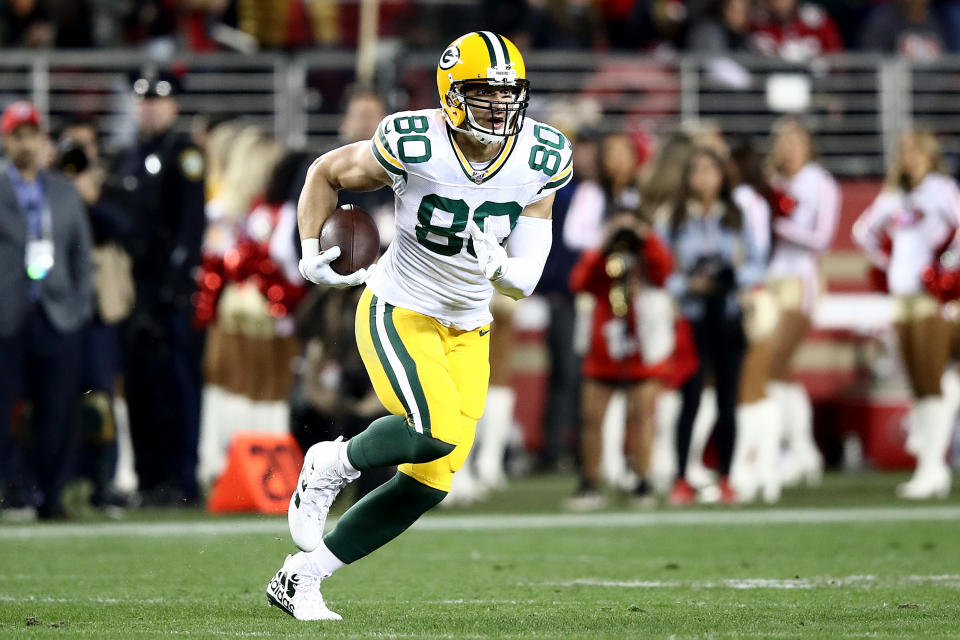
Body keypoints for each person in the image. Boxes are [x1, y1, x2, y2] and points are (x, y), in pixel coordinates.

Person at [266, 31, 573, 621]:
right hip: (400, 306)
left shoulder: (543, 154)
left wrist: (501, 269)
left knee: (431, 481)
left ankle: (302, 577)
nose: (501, 108)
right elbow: (326, 172)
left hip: (470, 323)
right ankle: (333, 461)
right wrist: (309, 249)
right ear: (451, 96)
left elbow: (527, 276)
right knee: (430, 428)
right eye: (485, 95)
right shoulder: (413, 141)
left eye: (510, 95)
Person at [108, 70, 206, 506]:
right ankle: (149, 480)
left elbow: (190, 225)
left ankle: (182, 480)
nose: (149, 107)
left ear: (173, 107)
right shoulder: (125, 156)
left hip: (168, 291)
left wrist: (174, 285)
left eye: (158, 100)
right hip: (134, 291)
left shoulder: (184, 153)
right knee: (141, 386)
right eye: (143, 100)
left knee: (177, 385)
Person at [853, 130, 960, 499]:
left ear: (930, 156)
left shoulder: (941, 188)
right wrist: (888, 262)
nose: (909, 157)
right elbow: (863, 231)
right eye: (904, 151)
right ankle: (930, 466)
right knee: (916, 382)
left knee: (932, 378)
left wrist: (944, 267)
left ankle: (933, 466)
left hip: (933, 296)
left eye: (916, 151)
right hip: (903, 296)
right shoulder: (894, 195)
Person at [0, 100, 93, 518]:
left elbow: (80, 253)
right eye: (17, 134)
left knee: (58, 411)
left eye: (32, 134)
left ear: (42, 140)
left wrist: (78, 305)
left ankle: (51, 498)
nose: (26, 142)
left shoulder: (62, 188)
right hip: (6, 314)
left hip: (57, 314)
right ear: (6, 139)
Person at [658, 147, 761, 506]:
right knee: (690, 398)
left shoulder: (736, 215)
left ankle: (727, 477)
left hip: (729, 315)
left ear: (722, 176)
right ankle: (681, 478)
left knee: (728, 399)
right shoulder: (673, 218)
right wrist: (689, 285)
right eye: (697, 170)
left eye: (710, 170)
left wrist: (731, 277)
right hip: (693, 318)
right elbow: (660, 271)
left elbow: (757, 264)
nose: (703, 178)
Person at [567, 211, 673, 509]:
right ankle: (589, 482)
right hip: (603, 347)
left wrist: (645, 236)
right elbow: (580, 282)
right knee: (592, 417)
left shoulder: (648, 254)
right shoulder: (601, 256)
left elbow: (664, 272)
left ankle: (642, 481)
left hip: (642, 345)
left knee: (642, 417)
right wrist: (603, 243)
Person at [765, 116, 840, 487]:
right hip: (769, 279)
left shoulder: (820, 182)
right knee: (774, 369)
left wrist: (778, 224)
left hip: (801, 279)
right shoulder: (771, 182)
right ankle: (799, 449)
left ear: (808, 146)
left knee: (775, 364)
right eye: (782, 141)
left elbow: (822, 238)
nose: (788, 149)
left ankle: (790, 451)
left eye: (795, 142)